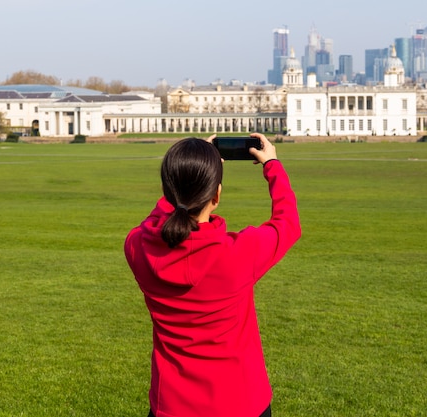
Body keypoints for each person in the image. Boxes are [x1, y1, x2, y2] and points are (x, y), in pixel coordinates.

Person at [124, 133, 301, 417]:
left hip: (172, 404)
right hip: (241, 402)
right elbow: (287, 223)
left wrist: (186, 175)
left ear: (167, 190)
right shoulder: (238, 254)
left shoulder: (137, 248)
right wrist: (272, 165)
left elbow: (152, 223)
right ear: (216, 196)